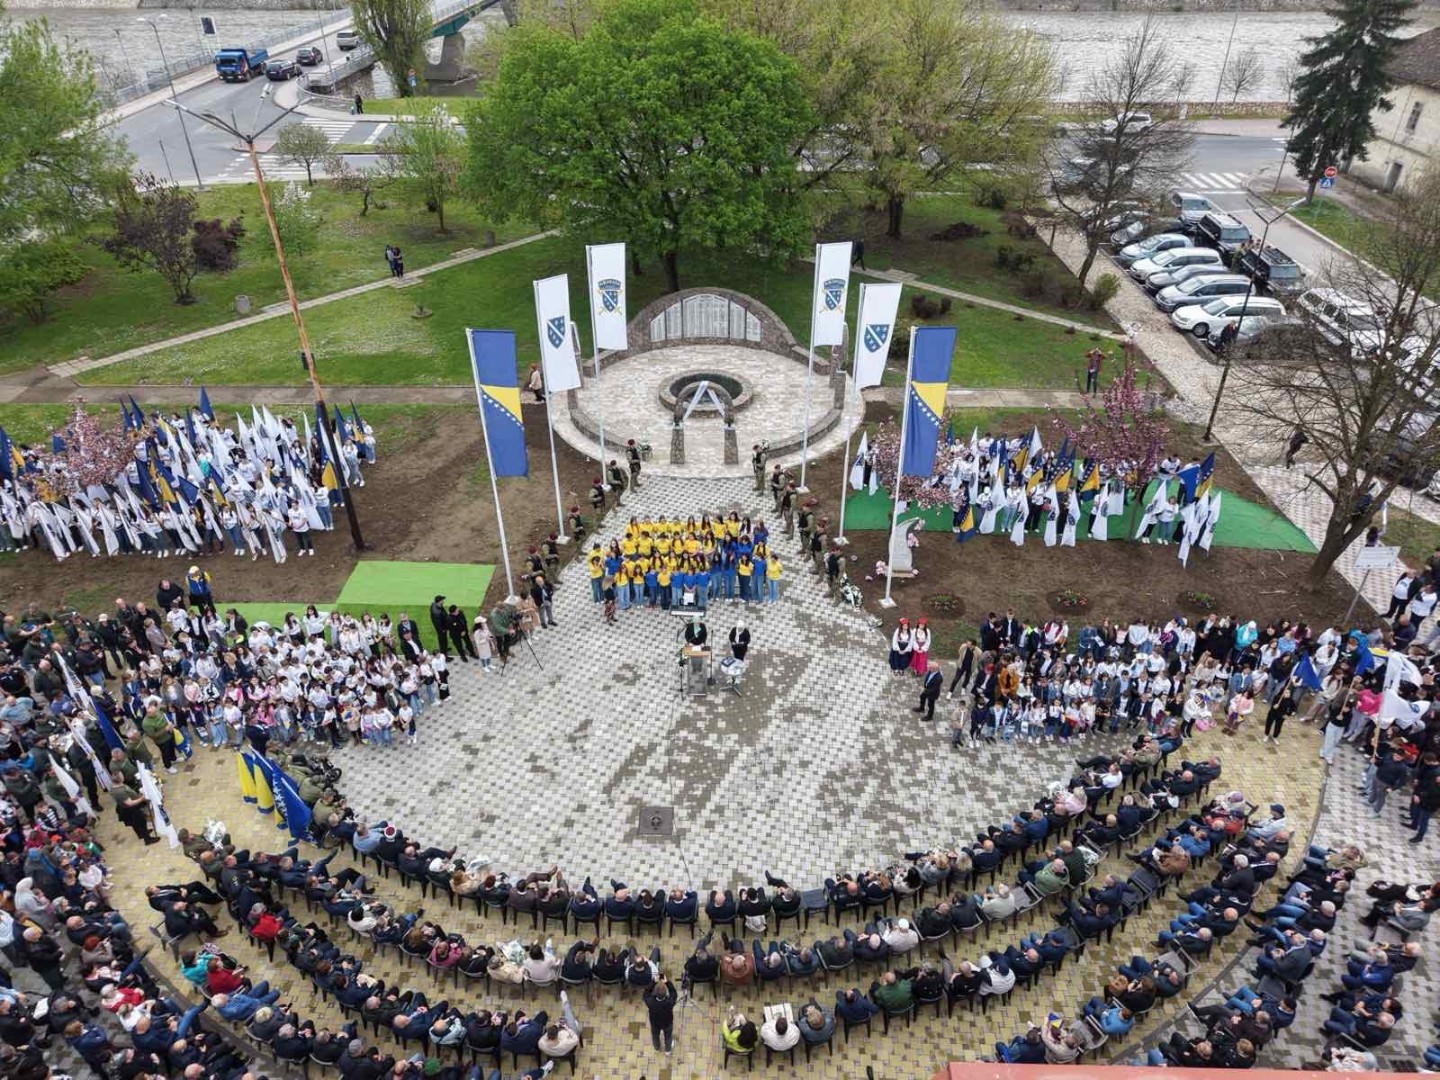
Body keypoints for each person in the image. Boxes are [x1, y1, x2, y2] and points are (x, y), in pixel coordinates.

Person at [643, 976, 677, 1053]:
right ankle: (667, 1050)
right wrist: (667, 983)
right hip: (667, 1023)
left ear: (655, 992)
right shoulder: (669, 1002)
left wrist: (653, 983)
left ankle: (657, 1048)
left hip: (655, 1023)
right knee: (668, 1036)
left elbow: (645, 994)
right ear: (665, 993)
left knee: (655, 1036)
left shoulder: (651, 1002)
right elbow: (674, 993)